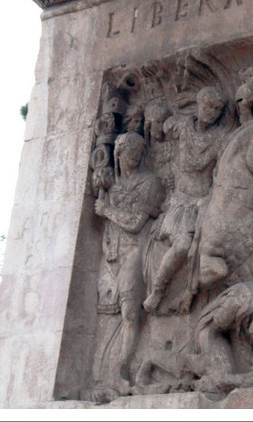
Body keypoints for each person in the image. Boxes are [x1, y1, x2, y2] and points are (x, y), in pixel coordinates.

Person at [143, 85, 235, 313]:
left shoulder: (221, 138)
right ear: (198, 104)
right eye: (207, 105)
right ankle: (157, 290)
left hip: (205, 202)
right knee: (183, 245)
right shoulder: (181, 126)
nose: (211, 111)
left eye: (216, 109)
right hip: (180, 203)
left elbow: (223, 171)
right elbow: (157, 132)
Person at [95, 132, 164, 393]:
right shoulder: (112, 189)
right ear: (118, 153)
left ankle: (121, 371)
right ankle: (105, 372)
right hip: (114, 256)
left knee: (130, 314)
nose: (133, 156)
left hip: (139, 250)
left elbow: (136, 224)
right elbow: (109, 231)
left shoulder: (151, 183)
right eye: (128, 151)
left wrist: (107, 211)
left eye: (138, 152)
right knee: (110, 315)